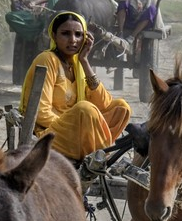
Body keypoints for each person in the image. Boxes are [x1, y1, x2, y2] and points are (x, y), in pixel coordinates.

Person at [20, 11, 132, 161]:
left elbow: (104, 103)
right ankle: (99, 158)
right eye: (65, 34)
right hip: (50, 133)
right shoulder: (47, 59)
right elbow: (41, 114)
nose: (73, 40)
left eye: (78, 35)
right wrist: (74, 125)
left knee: (121, 108)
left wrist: (84, 61)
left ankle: (94, 151)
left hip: (76, 130)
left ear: (85, 38)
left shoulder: (78, 64)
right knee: (85, 109)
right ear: (54, 36)